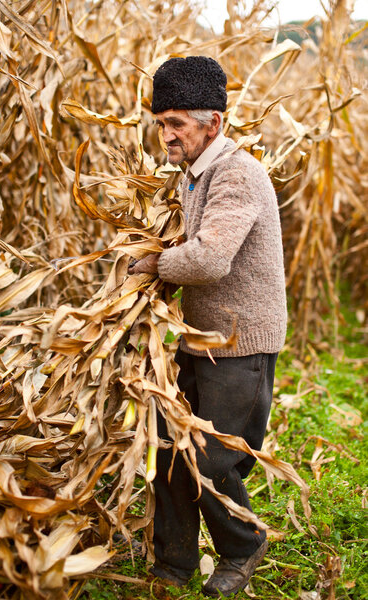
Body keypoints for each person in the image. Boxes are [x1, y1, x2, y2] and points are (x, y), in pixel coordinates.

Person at [129, 56, 287, 597]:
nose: (165, 135)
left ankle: (243, 547)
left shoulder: (237, 172)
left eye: (176, 123)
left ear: (213, 123)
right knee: (172, 446)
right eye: (161, 123)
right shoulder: (195, 175)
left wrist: (153, 265)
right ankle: (173, 563)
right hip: (202, 338)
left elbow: (209, 260)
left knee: (210, 455)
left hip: (240, 341)